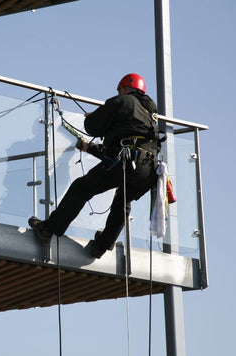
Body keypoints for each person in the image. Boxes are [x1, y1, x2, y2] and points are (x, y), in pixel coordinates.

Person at [29, 73, 161, 258]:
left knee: (82, 187)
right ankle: (103, 245)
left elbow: (92, 127)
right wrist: (90, 147)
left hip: (127, 161)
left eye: (120, 91)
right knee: (123, 202)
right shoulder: (150, 113)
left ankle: (48, 229)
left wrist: (98, 118)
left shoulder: (122, 101)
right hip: (149, 168)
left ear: (123, 89)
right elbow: (121, 147)